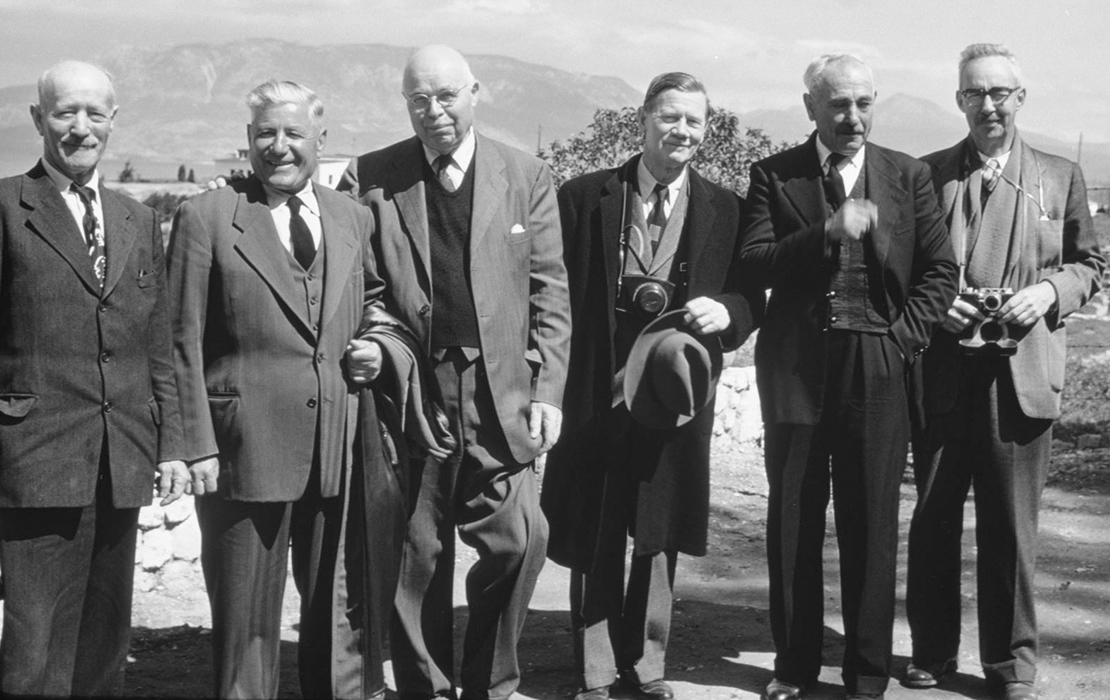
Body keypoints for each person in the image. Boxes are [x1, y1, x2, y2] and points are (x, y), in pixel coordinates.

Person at [337, 45, 571, 700]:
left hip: (501, 393)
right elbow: (363, 286)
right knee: (416, 559)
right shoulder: (371, 177)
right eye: (418, 99)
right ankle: (425, 688)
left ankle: (488, 682)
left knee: (521, 539)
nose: (432, 111)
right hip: (413, 388)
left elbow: (551, 294)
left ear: (475, 93)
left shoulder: (526, 175)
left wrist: (548, 391)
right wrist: (384, 347)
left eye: (445, 96)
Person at [168, 79, 405, 699]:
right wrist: (195, 445)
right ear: (248, 141)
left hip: (336, 443)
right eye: (265, 133)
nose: (279, 146)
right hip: (242, 449)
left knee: (336, 608)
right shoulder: (207, 216)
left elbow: (377, 303)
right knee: (246, 618)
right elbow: (177, 341)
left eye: (293, 133)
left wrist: (376, 347)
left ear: (319, 141)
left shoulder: (353, 217)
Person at [739, 54, 958, 700]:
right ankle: (794, 666)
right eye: (839, 105)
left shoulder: (908, 176)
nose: (854, 117)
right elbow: (754, 263)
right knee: (795, 520)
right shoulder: (775, 176)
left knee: (871, 522)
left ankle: (866, 673)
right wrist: (826, 232)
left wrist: (902, 341)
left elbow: (940, 274)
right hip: (797, 368)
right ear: (811, 107)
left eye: (865, 103)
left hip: (879, 365)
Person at [541, 72, 762, 700]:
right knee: (596, 523)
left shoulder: (726, 207)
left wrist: (731, 313)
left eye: (694, 121)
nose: (682, 131)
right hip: (596, 388)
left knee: (657, 530)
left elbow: (750, 296)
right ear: (643, 119)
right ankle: (594, 669)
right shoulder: (585, 196)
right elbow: (551, 290)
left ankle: (648, 665)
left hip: (672, 392)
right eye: (670, 117)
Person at [904, 44, 1104, 700]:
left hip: (1022, 373)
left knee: (1011, 527)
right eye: (972, 93)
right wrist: (941, 304)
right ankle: (930, 653)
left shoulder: (1058, 174)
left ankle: (1010, 665)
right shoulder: (925, 176)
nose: (986, 105)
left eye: (999, 93)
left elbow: (1090, 265)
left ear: (1020, 98)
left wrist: (1048, 294)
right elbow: (900, 273)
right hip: (942, 372)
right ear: (957, 100)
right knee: (932, 519)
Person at [0, 60, 186, 696]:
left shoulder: (137, 219)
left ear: (113, 121)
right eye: (64, 112)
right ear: (37, 120)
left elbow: (156, 344)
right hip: (34, 461)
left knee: (104, 646)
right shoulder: (5, 207)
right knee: (31, 657)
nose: (80, 129)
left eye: (95, 114)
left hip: (123, 459)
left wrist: (173, 445)